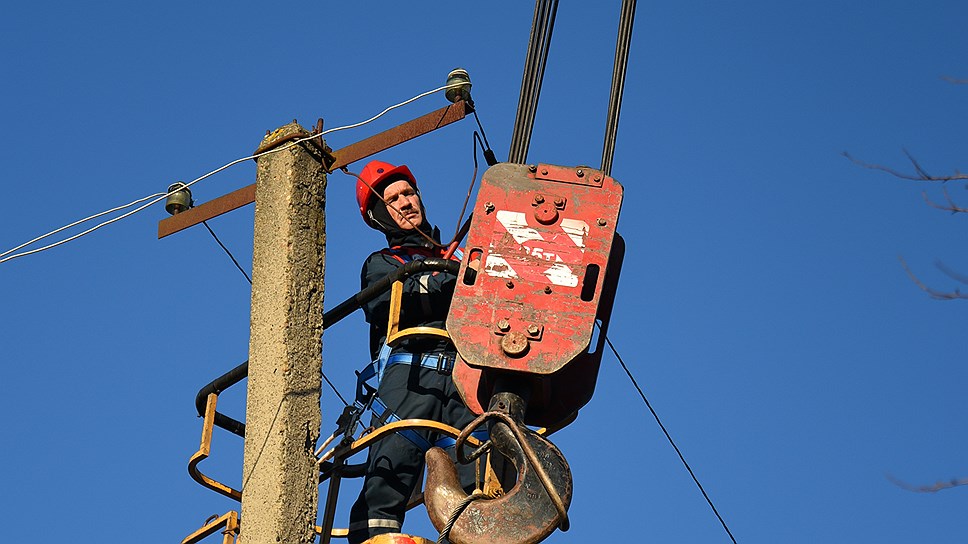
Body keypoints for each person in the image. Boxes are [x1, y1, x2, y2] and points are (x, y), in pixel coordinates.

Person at [348, 159, 479, 544]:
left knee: (479, 479)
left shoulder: (462, 258)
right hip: (411, 378)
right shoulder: (383, 265)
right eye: (393, 200)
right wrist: (450, 281)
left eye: (409, 193)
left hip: (467, 378)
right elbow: (385, 303)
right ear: (377, 217)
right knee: (389, 476)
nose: (406, 202)